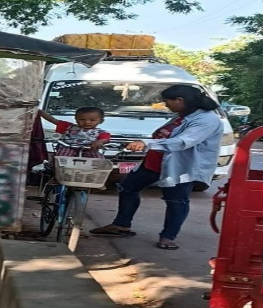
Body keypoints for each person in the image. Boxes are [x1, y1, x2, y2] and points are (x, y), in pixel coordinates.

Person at [90, 84, 224, 250]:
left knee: (176, 201)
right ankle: (121, 224)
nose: (166, 106)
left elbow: (183, 142)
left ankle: (168, 237)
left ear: (180, 100)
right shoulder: (184, 114)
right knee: (127, 187)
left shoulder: (206, 120)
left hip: (180, 167)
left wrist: (145, 143)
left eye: (167, 102)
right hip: (155, 161)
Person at [39, 106, 111, 159]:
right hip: (68, 147)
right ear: (76, 119)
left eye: (92, 120)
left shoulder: (101, 132)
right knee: (62, 157)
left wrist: (99, 141)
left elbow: (105, 138)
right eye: (82, 119)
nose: (87, 122)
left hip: (89, 149)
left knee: (98, 159)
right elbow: (52, 120)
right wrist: (39, 111)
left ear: (101, 121)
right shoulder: (68, 126)